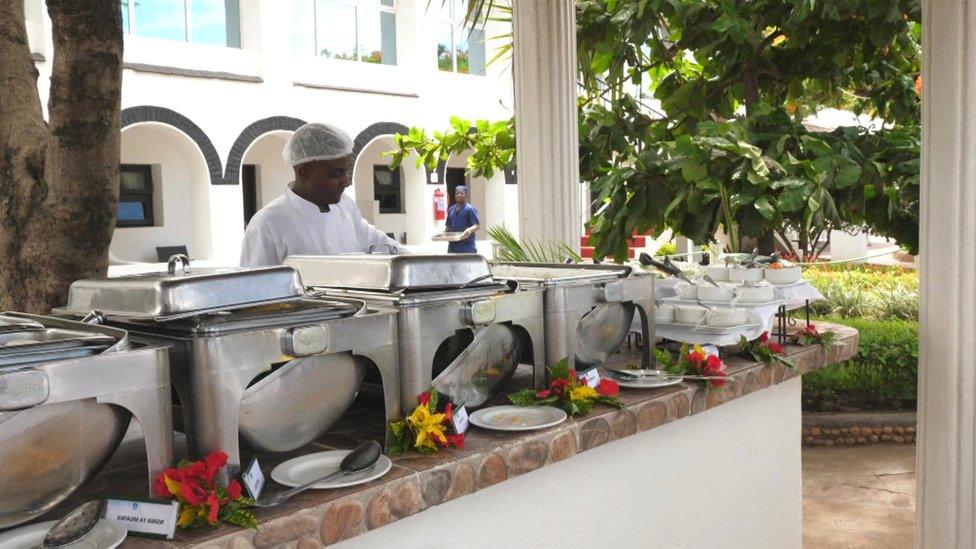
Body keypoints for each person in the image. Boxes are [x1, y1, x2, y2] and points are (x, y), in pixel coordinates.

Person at [240, 123, 400, 266]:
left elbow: (378, 243)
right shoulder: (267, 224)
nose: (346, 182)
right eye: (337, 174)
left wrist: (416, 262)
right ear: (304, 172)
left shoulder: (345, 207)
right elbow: (256, 289)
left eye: (347, 172)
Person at [444, 185, 479, 253]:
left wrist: (469, 230)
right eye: (457, 193)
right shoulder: (451, 209)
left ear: (466, 196)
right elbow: (448, 226)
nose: (459, 195)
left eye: (461, 193)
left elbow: (476, 225)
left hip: (467, 247)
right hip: (452, 247)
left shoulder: (470, 209)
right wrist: (443, 234)